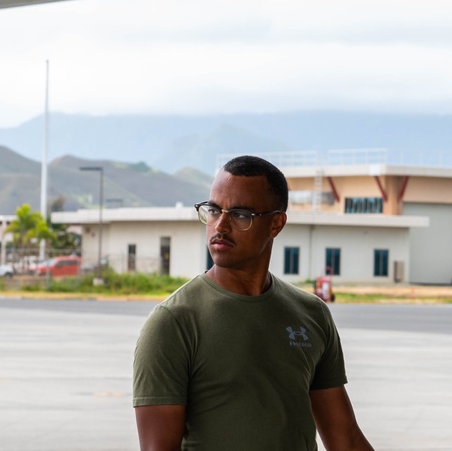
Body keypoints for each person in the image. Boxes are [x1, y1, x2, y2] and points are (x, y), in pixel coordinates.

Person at [132, 155, 374, 451]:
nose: (220, 225)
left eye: (240, 214)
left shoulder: (312, 314)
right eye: (213, 210)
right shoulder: (173, 322)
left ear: (276, 224)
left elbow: (345, 439)